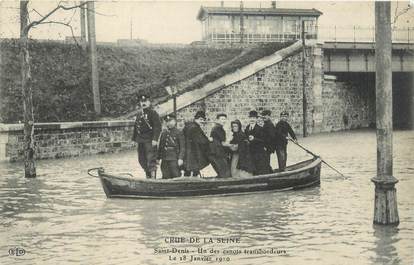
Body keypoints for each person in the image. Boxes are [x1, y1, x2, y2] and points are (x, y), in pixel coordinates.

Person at [132, 94, 161, 179]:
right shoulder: (139, 114)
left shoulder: (153, 113)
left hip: (149, 140)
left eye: (145, 101)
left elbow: (157, 127)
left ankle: (153, 179)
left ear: (149, 102)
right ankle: (148, 177)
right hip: (140, 140)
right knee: (142, 160)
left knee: (151, 160)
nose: (143, 103)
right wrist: (134, 140)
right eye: (142, 102)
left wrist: (155, 139)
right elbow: (136, 128)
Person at [183, 111, 210, 177]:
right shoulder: (195, 128)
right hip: (194, 152)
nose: (202, 121)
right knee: (194, 169)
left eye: (203, 120)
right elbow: (201, 141)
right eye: (200, 119)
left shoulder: (188, 126)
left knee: (188, 170)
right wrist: (208, 140)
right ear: (195, 119)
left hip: (188, 151)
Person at [157, 114, 185, 179]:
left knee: (176, 175)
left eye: (170, 121)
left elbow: (182, 147)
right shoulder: (164, 133)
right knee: (165, 175)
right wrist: (158, 158)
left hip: (174, 158)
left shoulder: (179, 133)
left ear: (175, 121)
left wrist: (180, 158)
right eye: (167, 121)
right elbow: (161, 146)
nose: (168, 123)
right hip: (165, 158)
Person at [245, 110, 272, 175]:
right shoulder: (247, 128)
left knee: (261, 168)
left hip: (259, 153)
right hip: (250, 152)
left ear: (257, 119)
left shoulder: (260, 129)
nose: (252, 120)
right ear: (249, 118)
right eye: (251, 118)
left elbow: (264, 141)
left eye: (254, 118)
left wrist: (254, 139)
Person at [209, 113, 231, 178]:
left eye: (225, 119)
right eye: (222, 119)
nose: (223, 121)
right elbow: (223, 142)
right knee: (222, 169)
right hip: (218, 151)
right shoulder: (218, 128)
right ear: (218, 120)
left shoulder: (217, 128)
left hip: (216, 151)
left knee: (220, 169)